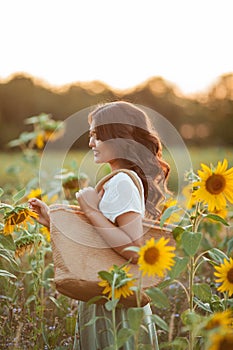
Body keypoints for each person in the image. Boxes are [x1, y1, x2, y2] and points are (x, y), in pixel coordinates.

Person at [29, 101, 170, 349]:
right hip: (108, 293)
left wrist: (91, 209)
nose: (91, 143)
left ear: (121, 137)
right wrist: (52, 221)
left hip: (113, 306)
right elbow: (102, 239)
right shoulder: (121, 180)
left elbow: (134, 249)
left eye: (97, 136)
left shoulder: (121, 182)